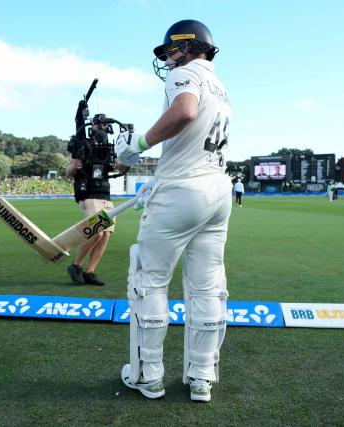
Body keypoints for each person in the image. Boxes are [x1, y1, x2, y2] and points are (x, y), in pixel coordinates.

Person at [115, 19, 232, 403]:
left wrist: (138, 145)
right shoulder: (222, 86)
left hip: (183, 190)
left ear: (186, 46)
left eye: (170, 51)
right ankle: (201, 376)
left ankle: (148, 374)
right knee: (207, 287)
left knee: (148, 280)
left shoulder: (184, 74)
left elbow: (184, 111)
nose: (167, 59)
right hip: (217, 189)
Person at [65, 115, 126, 286]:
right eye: (99, 124)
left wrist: (127, 161)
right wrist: (72, 167)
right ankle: (76, 266)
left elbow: (118, 166)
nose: (102, 127)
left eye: (105, 124)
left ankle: (89, 271)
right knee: (96, 231)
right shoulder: (82, 144)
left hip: (104, 194)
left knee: (106, 234)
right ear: (92, 126)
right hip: (88, 193)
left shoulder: (110, 147)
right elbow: (68, 171)